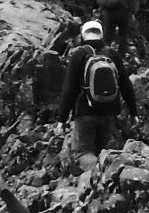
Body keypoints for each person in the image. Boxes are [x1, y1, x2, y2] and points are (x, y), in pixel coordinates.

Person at [55, 18, 136, 181]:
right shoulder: (112, 54)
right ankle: (105, 178)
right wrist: (134, 112)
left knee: (84, 153)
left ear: (84, 35)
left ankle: (101, 178)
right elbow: (126, 85)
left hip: (85, 112)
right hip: (109, 113)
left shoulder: (79, 54)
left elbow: (69, 89)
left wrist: (61, 120)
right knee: (102, 152)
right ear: (101, 34)